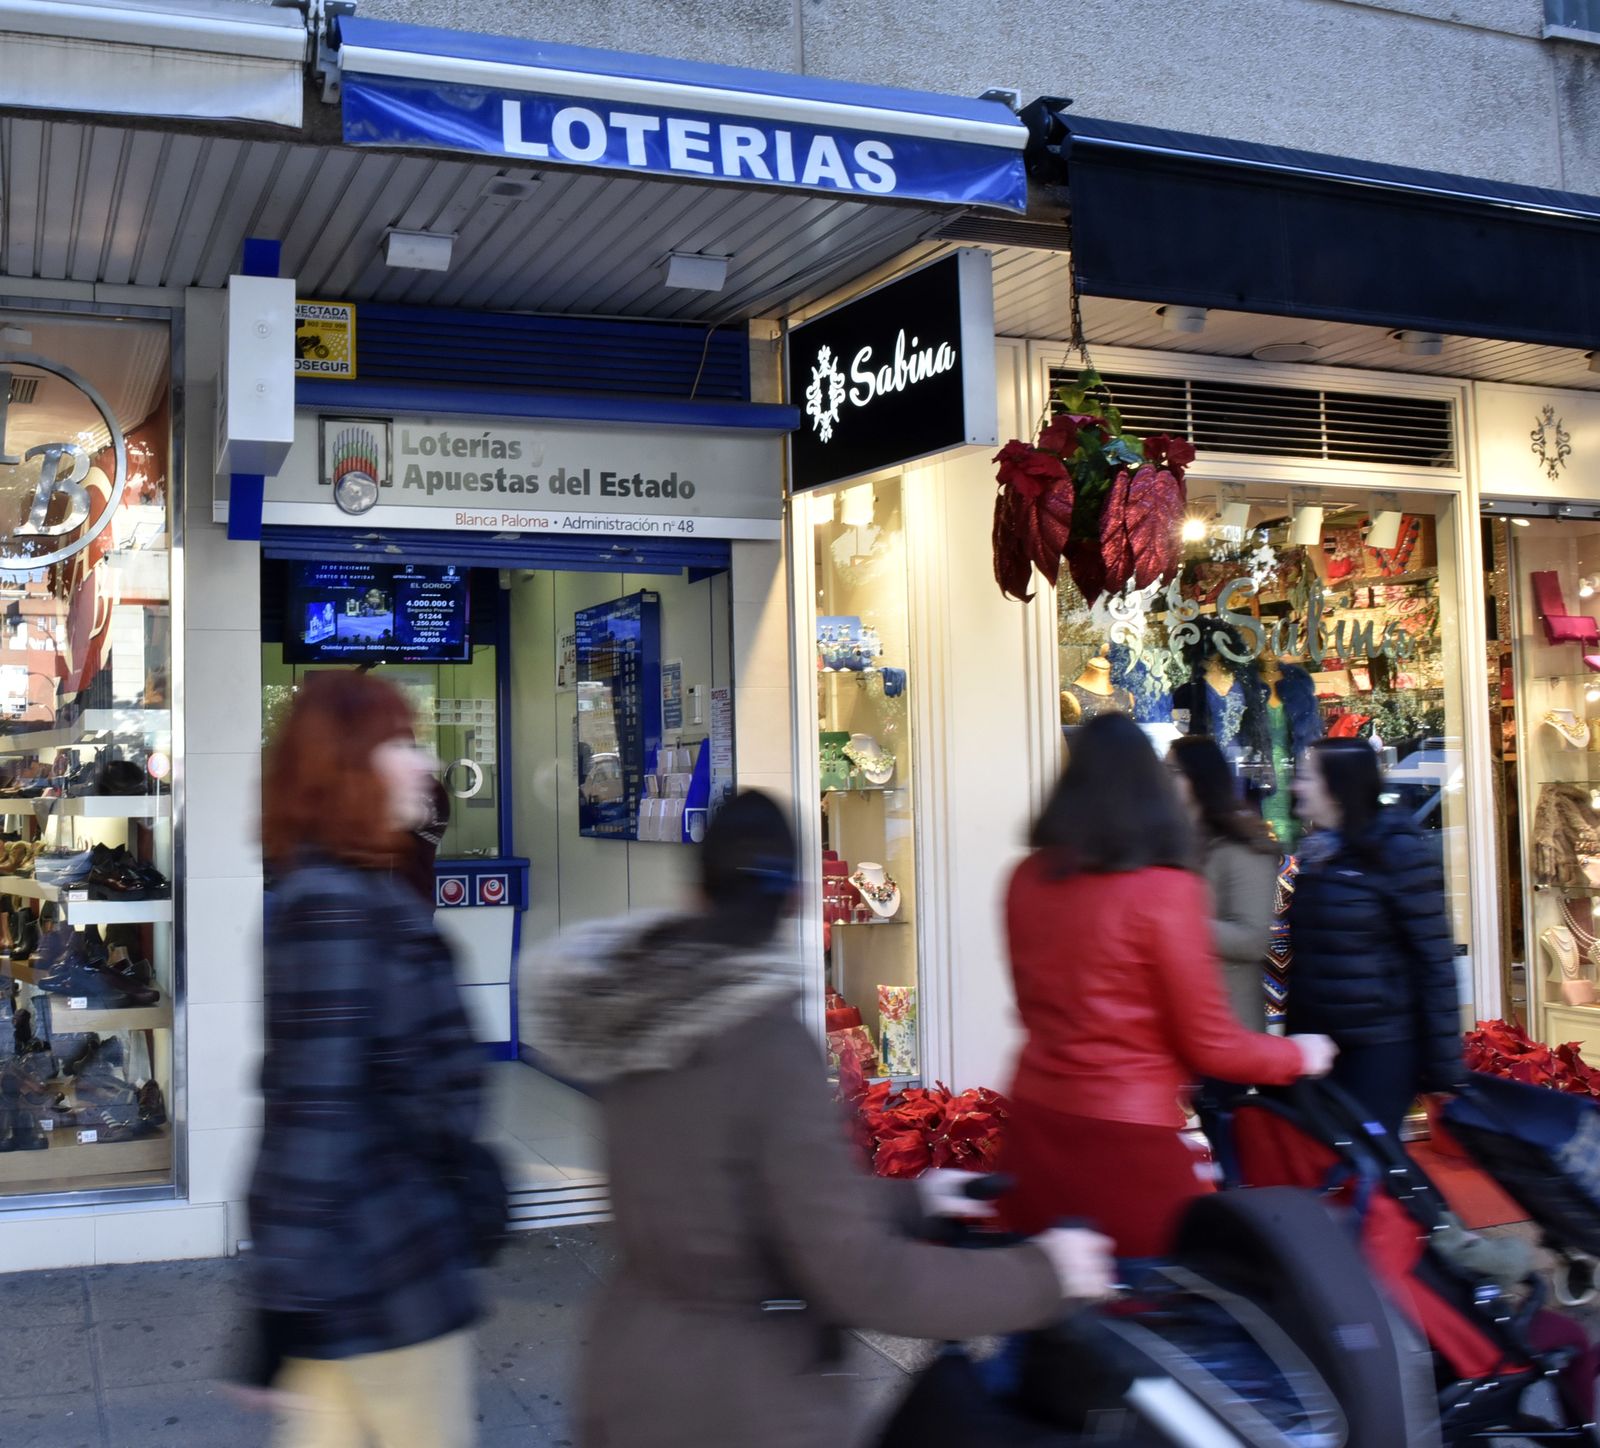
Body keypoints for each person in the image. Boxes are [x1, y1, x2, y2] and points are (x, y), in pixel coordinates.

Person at [524, 790, 1115, 1448]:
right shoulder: (766, 1043)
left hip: (631, 1371)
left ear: (696, 892)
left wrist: (913, 1198)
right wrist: (1044, 1275)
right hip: (740, 1403)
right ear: (800, 899)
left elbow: (733, 1202)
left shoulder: (635, 1013)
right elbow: (860, 1276)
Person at [247, 671, 487, 1448]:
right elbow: (312, 1114)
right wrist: (277, 1310)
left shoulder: (333, 892)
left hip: (355, 1281)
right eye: (399, 744)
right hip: (385, 1279)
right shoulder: (339, 908)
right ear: (347, 768)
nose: (422, 764)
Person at [999, 713, 1336, 1258]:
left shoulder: (1026, 879)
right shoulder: (1164, 891)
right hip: (1127, 1140)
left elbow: (1031, 1004)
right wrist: (1296, 1056)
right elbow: (1212, 1044)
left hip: (1034, 1125)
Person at [1287, 736, 1465, 1136]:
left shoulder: (1398, 853)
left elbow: (1433, 961)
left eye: (1306, 778)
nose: (1296, 787)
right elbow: (1308, 958)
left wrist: (1443, 1068)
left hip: (1381, 1048)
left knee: (1371, 1168)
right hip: (1319, 1046)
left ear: (1337, 785)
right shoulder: (1319, 855)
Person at [1168, 734, 1280, 1030]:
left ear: (1199, 778)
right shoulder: (1169, 841)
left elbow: (1252, 939)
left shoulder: (1242, 846)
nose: (1162, 779)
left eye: (1172, 772)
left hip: (1227, 1024)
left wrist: (1172, 924)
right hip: (1177, 1019)